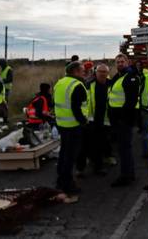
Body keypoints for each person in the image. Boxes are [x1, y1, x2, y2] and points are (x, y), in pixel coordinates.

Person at [54, 61, 88, 195]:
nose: (84, 72)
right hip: (74, 125)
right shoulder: (77, 85)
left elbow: (55, 103)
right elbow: (76, 108)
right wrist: (83, 122)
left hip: (62, 124)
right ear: (75, 71)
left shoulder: (60, 83)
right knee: (70, 156)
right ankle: (67, 184)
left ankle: (60, 180)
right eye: (82, 70)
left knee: (64, 153)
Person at [108, 53, 140, 187]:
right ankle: (129, 174)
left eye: (122, 62)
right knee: (124, 148)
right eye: (117, 62)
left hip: (124, 120)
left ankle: (125, 176)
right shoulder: (118, 77)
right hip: (118, 120)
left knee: (124, 149)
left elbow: (131, 102)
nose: (120, 64)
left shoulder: (130, 77)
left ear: (127, 62)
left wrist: (123, 119)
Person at [77, 64, 110, 176]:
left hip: (104, 120)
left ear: (107, 73)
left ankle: (98, 168)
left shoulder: (110, 84)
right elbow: (83, 102)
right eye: (100, 71)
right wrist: (83, 118)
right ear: (95, 72)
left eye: (104, 72)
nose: (102, 74)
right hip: (89, 120)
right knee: (84, 145)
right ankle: (80, 169)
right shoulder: (88, 84)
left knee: (99, 145)